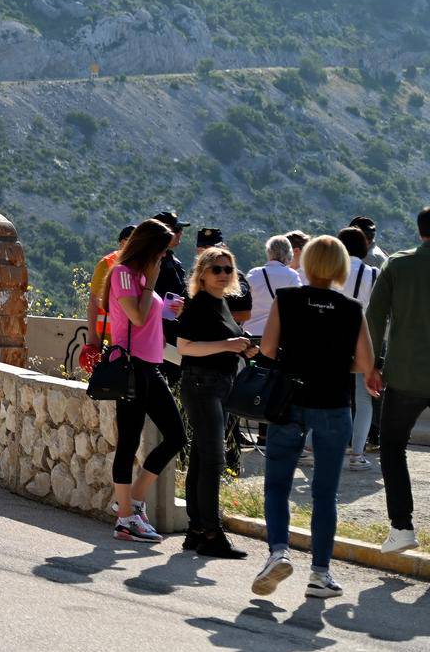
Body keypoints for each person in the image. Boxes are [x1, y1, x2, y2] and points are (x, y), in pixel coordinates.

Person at [253, 235, 376, 599]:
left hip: (289, 401)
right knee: (325, 493)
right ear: (339, 267)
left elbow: (269, 348)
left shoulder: (286, 299)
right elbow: (366, 364)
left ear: (305, 263)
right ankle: (320, 574)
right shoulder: (351, 308)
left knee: (277, 484)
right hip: (334, 404)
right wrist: (336, 366)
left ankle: (278, 552)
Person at [106, 218, 188, 542]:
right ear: (149, 247)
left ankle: (133, 502)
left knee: (176, 436)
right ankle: (125, 518)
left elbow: (149, 316)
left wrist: (171, 311)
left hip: (150, 366)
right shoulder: (124, 274)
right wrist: (151, 284)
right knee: (128, 441)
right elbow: (136, 317)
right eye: (162, 251)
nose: (165, 258)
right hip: (131, 366)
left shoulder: (140, 275)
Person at [176, 244, 257, 558]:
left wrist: (241, 347)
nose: (224, 275)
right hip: (202, 384)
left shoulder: (220, 303)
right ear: (203, 274)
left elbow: (220, 344)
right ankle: (211, 532)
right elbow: (185, 346)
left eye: (228, 269)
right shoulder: (198, 304)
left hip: (216, 384)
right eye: (217, 269)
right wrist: (229, 343)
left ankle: (197, 530)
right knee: (213, 459)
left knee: (201, 457)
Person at [365, 206, 430, 556]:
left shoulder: (398, 264)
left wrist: (371, 364)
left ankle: (402, 527)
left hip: (404, 374)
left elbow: (374, 316)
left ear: (420, 231)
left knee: (392, 447)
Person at [338, 226, 379, 470]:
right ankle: (357, 454)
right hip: (363, 338)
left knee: (324, 392)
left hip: (333, 340)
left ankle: (309, 447)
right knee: (363, 400)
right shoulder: (372, 273)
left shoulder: (332, 272)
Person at [80, 224, 133, 373]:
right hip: (105, 337)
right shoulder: (107, 263)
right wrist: (92, 338)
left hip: (128, 338)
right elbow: (93, 301)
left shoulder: (138, 266)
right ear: (123, 242)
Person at [244, 236, 303, 341]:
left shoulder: (254, 273)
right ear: (289, 254)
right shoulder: (292, 275)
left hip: (251, 334)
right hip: (276, 336)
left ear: (269, 252)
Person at [198, 227, 253, 321]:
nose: (209, 252)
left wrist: (214, 317)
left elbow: (245, 314)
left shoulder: (233, 276)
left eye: (213, 248)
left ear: (224, 248)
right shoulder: (194, 276)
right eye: (204, 248)